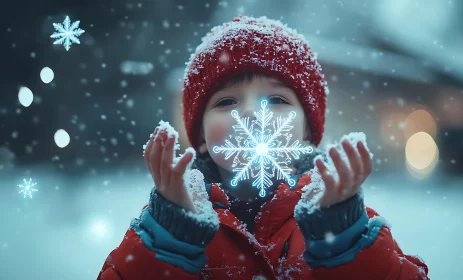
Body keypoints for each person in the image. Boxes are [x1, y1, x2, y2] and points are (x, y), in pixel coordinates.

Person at [98, 15, 429, 280]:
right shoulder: (169, 222)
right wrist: (170, 236)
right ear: (200, 136)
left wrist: (344, 239)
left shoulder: (342, 219)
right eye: (227, 101)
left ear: (307, 131)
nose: (253, 113)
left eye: (277, 99)